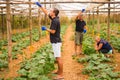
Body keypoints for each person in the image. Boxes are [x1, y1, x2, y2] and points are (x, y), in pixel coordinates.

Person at [35, 2, 63, 80]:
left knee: (58, 58)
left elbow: (53, 31)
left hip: (56, 41)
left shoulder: (55, 21)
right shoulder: (54, 18)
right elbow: (46, 12)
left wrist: (46, 29)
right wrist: (41, 6)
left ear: (53, 13)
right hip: (56, 41)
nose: (49, 12)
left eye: (51, 11)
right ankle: (58, 71)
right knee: (57, 58)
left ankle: (61, 75)